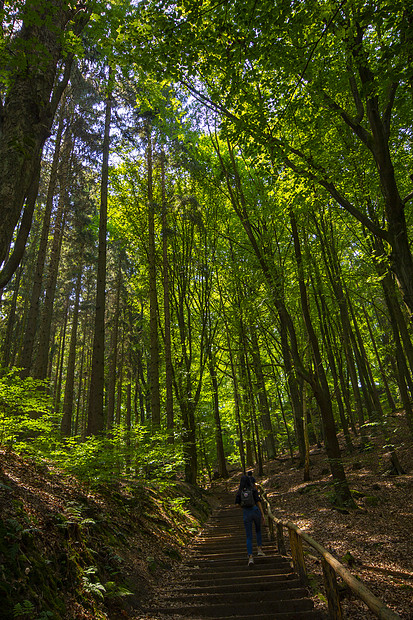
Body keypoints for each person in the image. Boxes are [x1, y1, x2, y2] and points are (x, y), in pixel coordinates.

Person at [235, 474, 265, 566]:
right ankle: (259, 549)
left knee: (248, 536)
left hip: (246, 513)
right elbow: (258, 501)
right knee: (258, 530)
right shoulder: (253, 489)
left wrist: (243, 506)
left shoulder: (240, 492)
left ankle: (250, 557)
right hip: (255, 511)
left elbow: (237, 504)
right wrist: (262, 514)